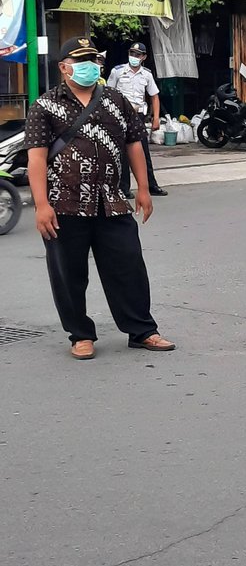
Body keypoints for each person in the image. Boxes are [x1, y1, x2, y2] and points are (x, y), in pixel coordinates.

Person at [24, 35, 175, 360]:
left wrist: (144, 188)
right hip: (64, 204)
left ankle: (142, 331)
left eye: (93, 60)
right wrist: (41, 205)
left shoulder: (116, 100)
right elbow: (35, 158)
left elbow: (134, 143)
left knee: (129, 265)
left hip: (113, 200)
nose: (89, 67)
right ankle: (80, 334)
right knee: (69, 273)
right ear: (64, 68)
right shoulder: (45, 106)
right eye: (81, 62)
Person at [107, 42, 167, 197]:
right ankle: (124, 188)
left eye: (137, 55)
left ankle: (151, 185)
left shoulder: (146, 74)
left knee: (143, 152)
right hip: (120, 115)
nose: (134, 57)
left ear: (144, 57)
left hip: (138, 116)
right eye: (132, 53)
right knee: (123, 153)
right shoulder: (118, 71)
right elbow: (108, 93)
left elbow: (154, 96)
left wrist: (156, 118)